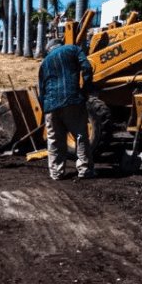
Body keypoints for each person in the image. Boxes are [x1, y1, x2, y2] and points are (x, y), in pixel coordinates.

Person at [37, 39, 94, 180]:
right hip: (72, 100)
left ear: (49, 49)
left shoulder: (44, 63)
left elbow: (41, 90)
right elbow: (87, 68)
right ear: (60, 44)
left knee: (54, 140)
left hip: (50, 105)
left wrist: (46, 109)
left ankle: (56, 173)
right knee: (80, 135)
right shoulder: (72, 49)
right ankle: (85, 170)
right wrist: (86, 90)